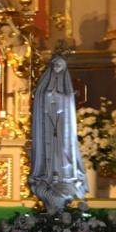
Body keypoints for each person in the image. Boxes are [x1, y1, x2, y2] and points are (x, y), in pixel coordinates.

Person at [28, 54, 87, 214]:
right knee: (48, 148)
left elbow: (69, 109)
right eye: (55, 65)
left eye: (60, 65)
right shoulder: (44, 87)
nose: (57, 68)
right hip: (46, 123)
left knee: (61, 150)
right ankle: (48, 175)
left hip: (62, 126)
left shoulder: (67, 90)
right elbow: (39, 100)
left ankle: (62, 176)